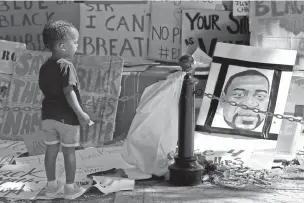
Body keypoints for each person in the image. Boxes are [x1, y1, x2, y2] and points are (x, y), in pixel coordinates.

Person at [39, 20, 91, 199]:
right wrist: (80, 113)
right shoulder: (67, 66)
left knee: (50, 151)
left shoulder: (45, 67)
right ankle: (70, 188)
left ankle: (51, 186)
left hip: (47, 117)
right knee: (69, 152)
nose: (77, 46)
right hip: (67, 119)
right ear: (62, 45)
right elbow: (69, 92)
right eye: (75, 42)